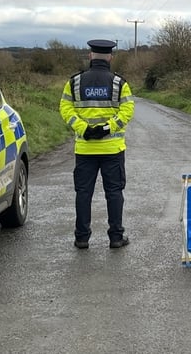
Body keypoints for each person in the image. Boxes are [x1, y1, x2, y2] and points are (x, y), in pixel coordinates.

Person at [59, 39, 135, 249]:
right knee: (114, 193)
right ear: (110, 57)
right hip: (112, 149)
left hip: (84, 149)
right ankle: (116, 237)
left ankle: (82, 238)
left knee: (83, 193)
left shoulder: (74, 82)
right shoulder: (120, 83)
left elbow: (65, 108)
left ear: (90, 56)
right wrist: (108, 128)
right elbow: (127, 111)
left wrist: (83, 128)